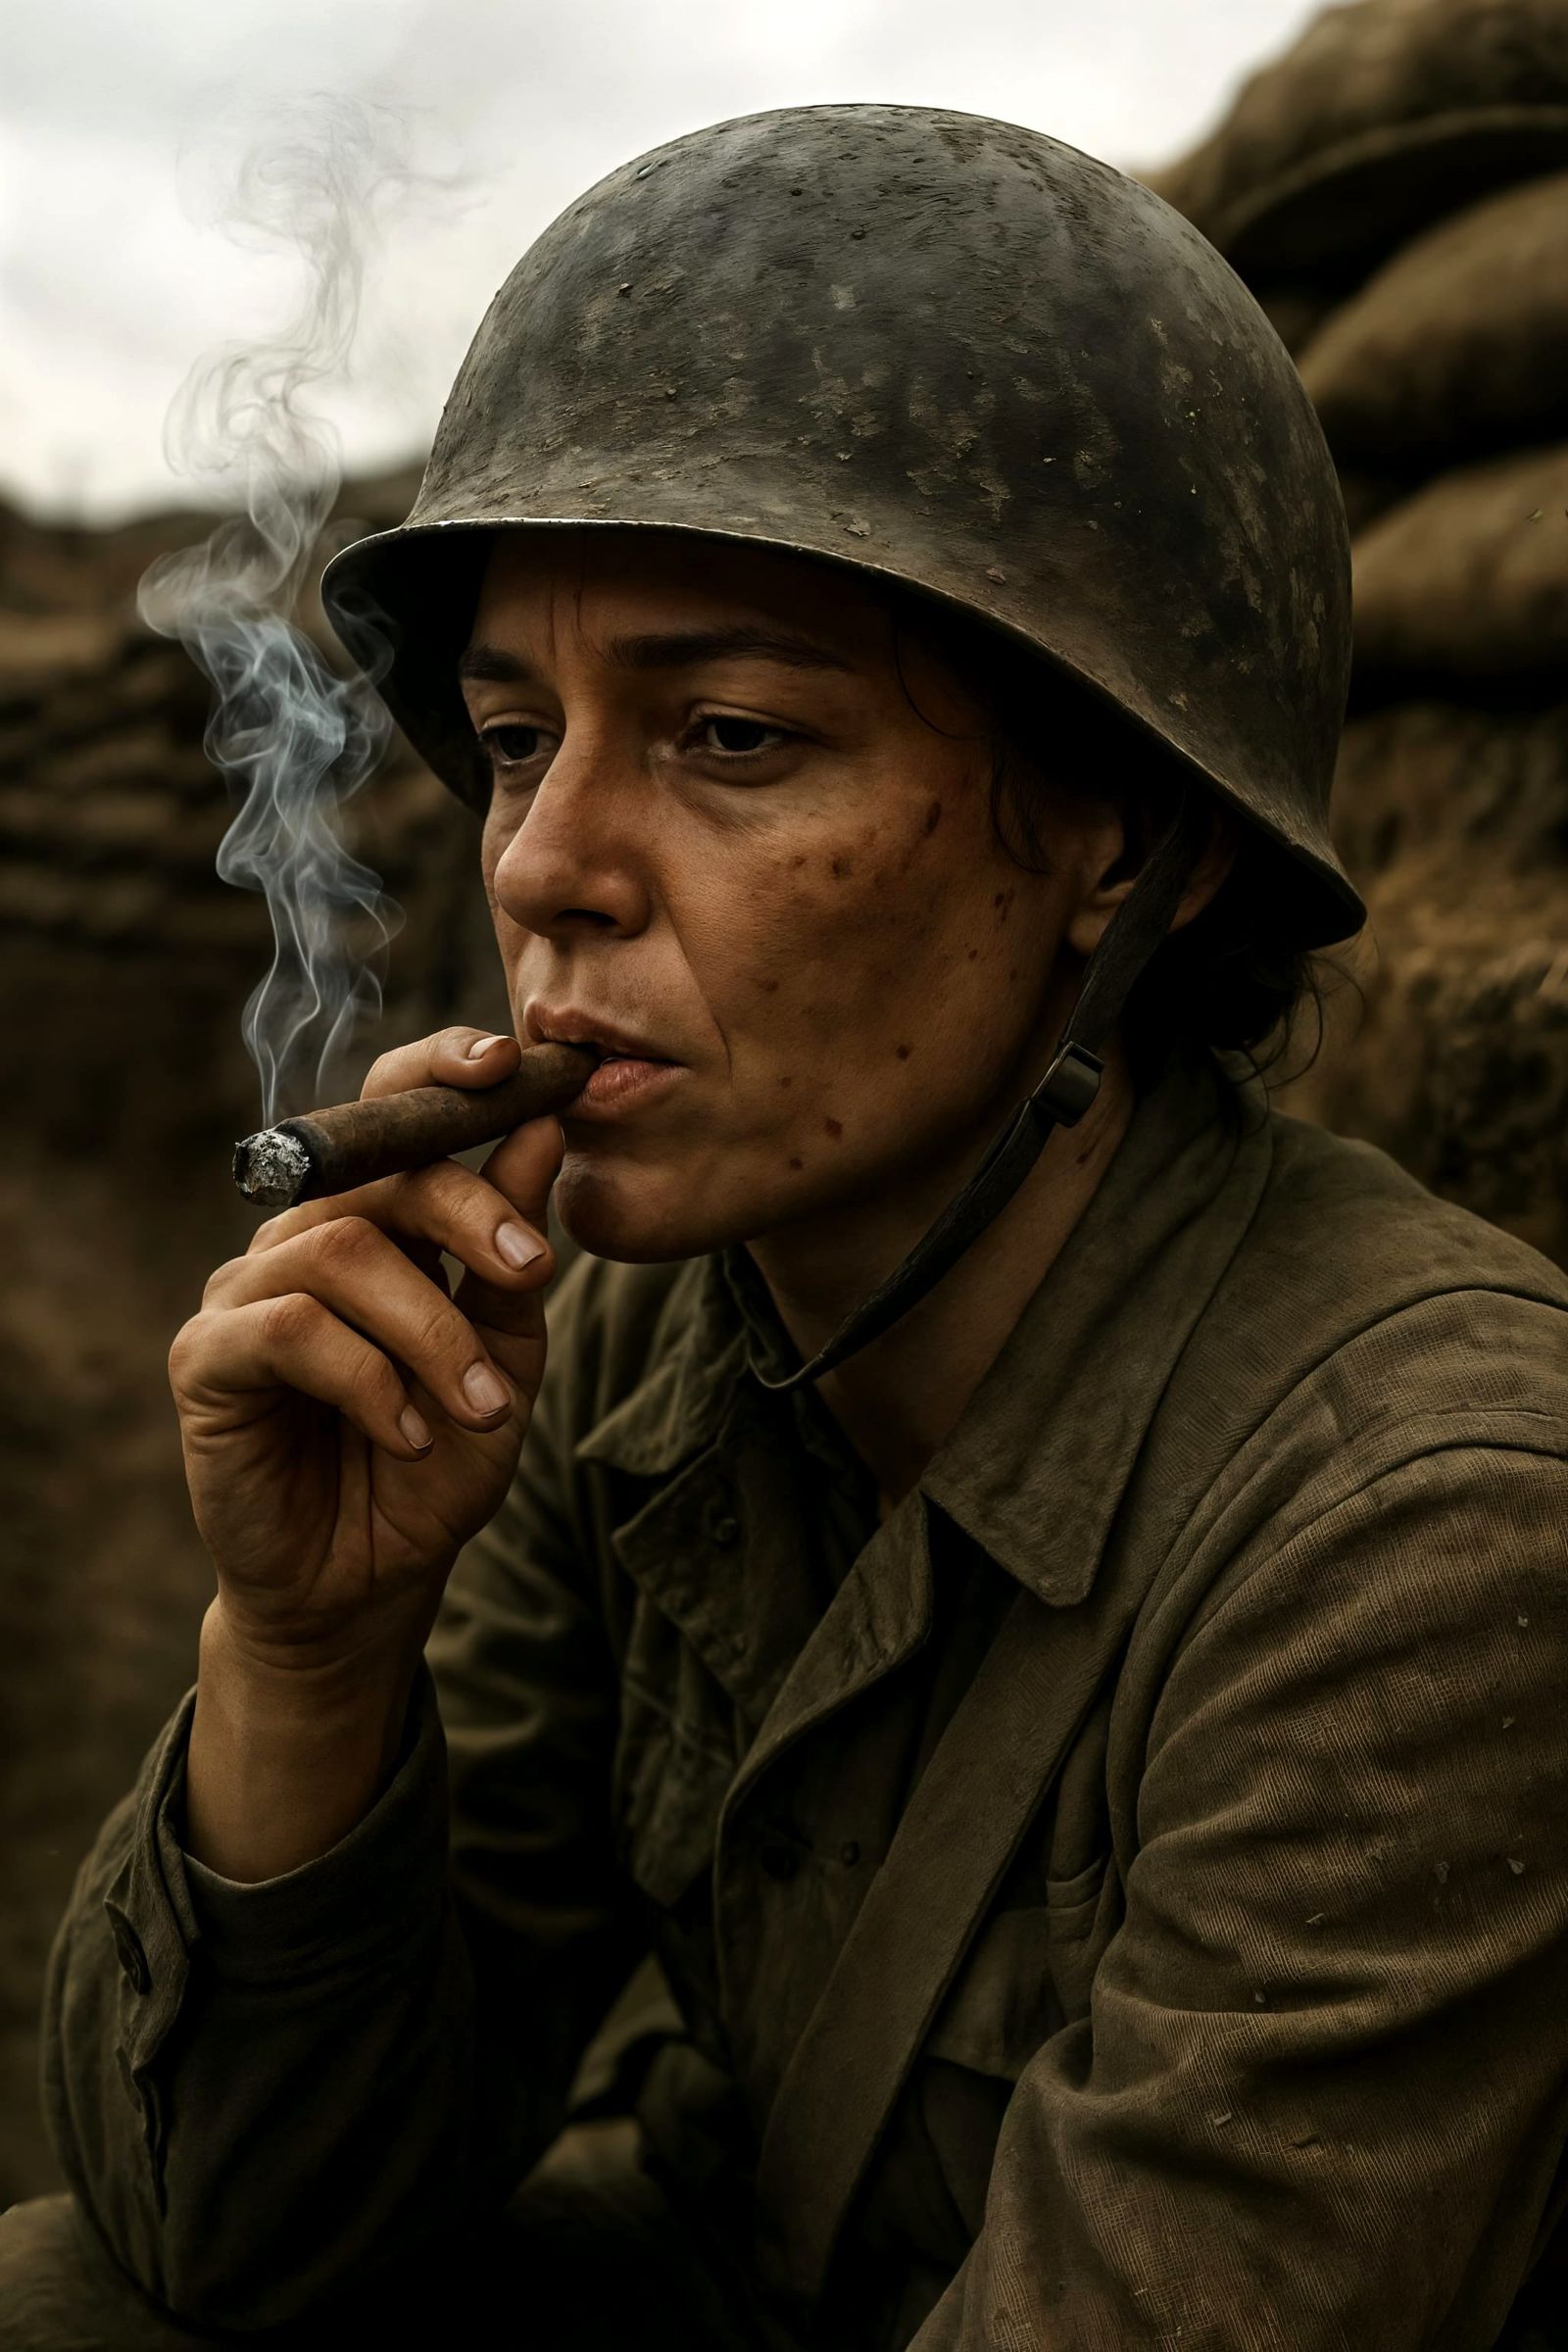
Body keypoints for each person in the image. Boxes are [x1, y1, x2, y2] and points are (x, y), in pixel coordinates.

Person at [4, 105, 1567, 2352]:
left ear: (1127, 848)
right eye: (515, 734)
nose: (540, 862)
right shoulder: (634, 1350)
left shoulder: (1427, 1554)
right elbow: (224, 2235)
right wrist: (309, 1652)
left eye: (728, 734)